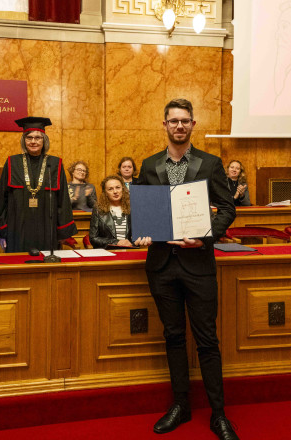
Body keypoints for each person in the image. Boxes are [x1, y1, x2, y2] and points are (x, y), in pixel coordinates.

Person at [133, 99, 238, 440]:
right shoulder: (149, 166)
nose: (179, 126)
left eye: (185, 121)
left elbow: (227, 208)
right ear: (164, 125)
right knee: (173, 337)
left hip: (198, 264)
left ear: (193, 125)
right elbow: (144, 211)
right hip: (161, 266)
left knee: (207, 340)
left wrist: (206, 237)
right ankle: (181, 406)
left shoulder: (211, 163)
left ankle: (219, 415)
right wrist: (142, 232)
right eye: (173, 121)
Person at [0, 117, 77, 252]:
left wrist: (62, 233)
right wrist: (1, 231)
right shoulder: (12, 163)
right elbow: (1, 198)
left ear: (44, 140)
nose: (33, 141)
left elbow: (63, 201)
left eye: (38, 138)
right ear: (24, 140)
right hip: (16, 229)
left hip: (47, 230)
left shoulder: (55, 164)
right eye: (29, 138)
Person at [89, 175, 133, 249]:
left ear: (123, 188)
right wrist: (116, 242)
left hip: (129, 251)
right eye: (110, 189)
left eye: (118, 187)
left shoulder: (133, 208)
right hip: (108, 252)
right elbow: (93, 238)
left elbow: (139, 235)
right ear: (105, 192)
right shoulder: (98, 209)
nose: (115, 191)